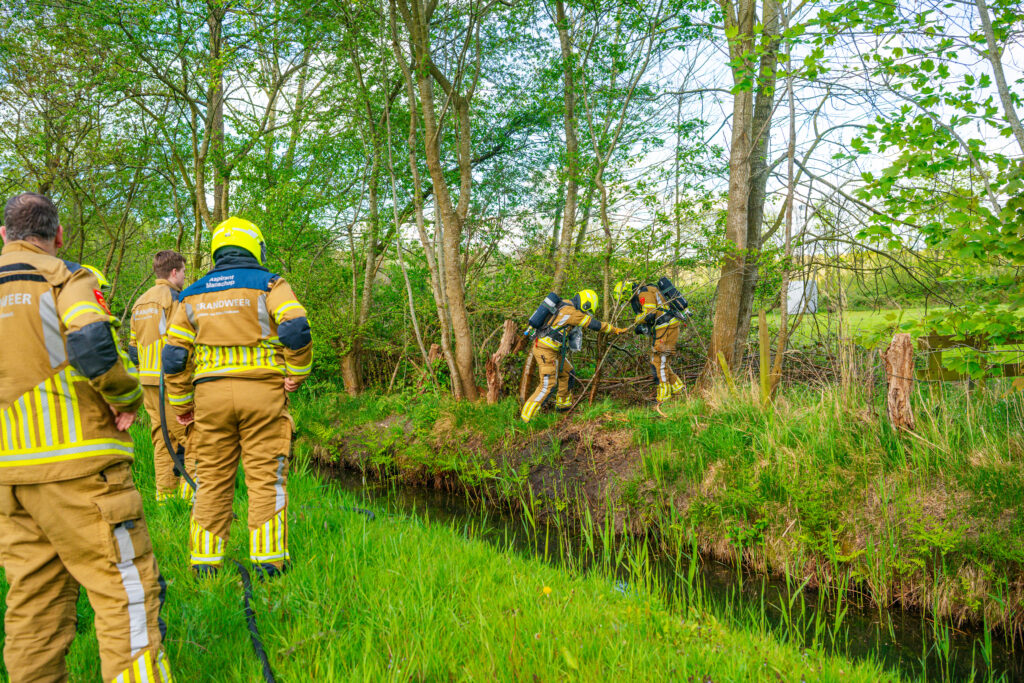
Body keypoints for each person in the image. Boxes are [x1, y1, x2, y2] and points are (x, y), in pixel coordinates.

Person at [0, 192, 172, 681]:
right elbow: (93, 341)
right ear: (58, 236)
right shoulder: (64, 278)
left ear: (4, 236)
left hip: (9, 480)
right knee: (126, 596)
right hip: (80, 473)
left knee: (32, 608)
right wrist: (126, 399)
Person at [163, 216, 312, 578]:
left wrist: (182, 405)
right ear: (254, 247)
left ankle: (205, 564)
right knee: (265, 478)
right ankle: (269, 563)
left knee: (212, 478)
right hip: (263, 394)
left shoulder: (191, 294)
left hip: (210, 398)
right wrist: (297, 373)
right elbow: (295, 327)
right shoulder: (271, 284)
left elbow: (174, 357)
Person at [129, 250, 196, 502]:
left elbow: (133, 350)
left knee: (162, 439)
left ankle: (166, 499)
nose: (185, 277)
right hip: (171, 380)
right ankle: (192, 497)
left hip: (147, 381)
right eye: (184, 272)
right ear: (174, 272)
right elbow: (182, 342)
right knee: (192, 436)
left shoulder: (139, 302)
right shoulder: (177, 299)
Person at [520, 289, 627, 422]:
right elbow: (593, 324)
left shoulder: (564, 304)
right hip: (546, 351)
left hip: (553, 351)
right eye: (587, 309)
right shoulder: (571, 312)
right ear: (585, 304)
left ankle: (563, 407)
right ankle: (526, 419)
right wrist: (614, 329)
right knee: (547, 385)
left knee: (568, 372)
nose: (586, 312)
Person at [615, 280, 685, 404]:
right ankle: (678, 388)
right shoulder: (646, 291)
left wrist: (637, 320)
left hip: (666, 327)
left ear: (626, 293)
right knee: (661, 361)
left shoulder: (644, 293)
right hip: (665, 327)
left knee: (658, 362)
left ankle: (664, 396)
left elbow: (649, 314)